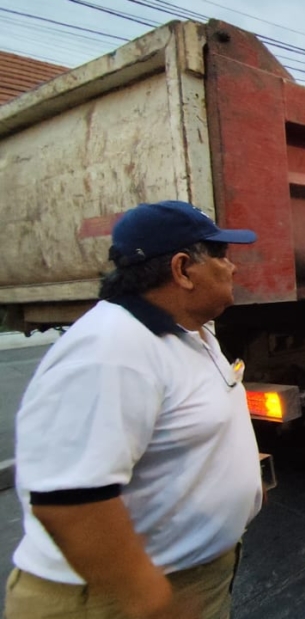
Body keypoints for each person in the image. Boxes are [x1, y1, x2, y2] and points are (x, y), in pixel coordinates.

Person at [6, 201, 264, 619]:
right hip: (113, 600)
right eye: (219, 255)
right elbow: (69, 500)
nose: (232, 267)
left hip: (182, 580)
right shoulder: (111, 351)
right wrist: (152, 600)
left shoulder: (186, 330)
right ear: (182, 269)